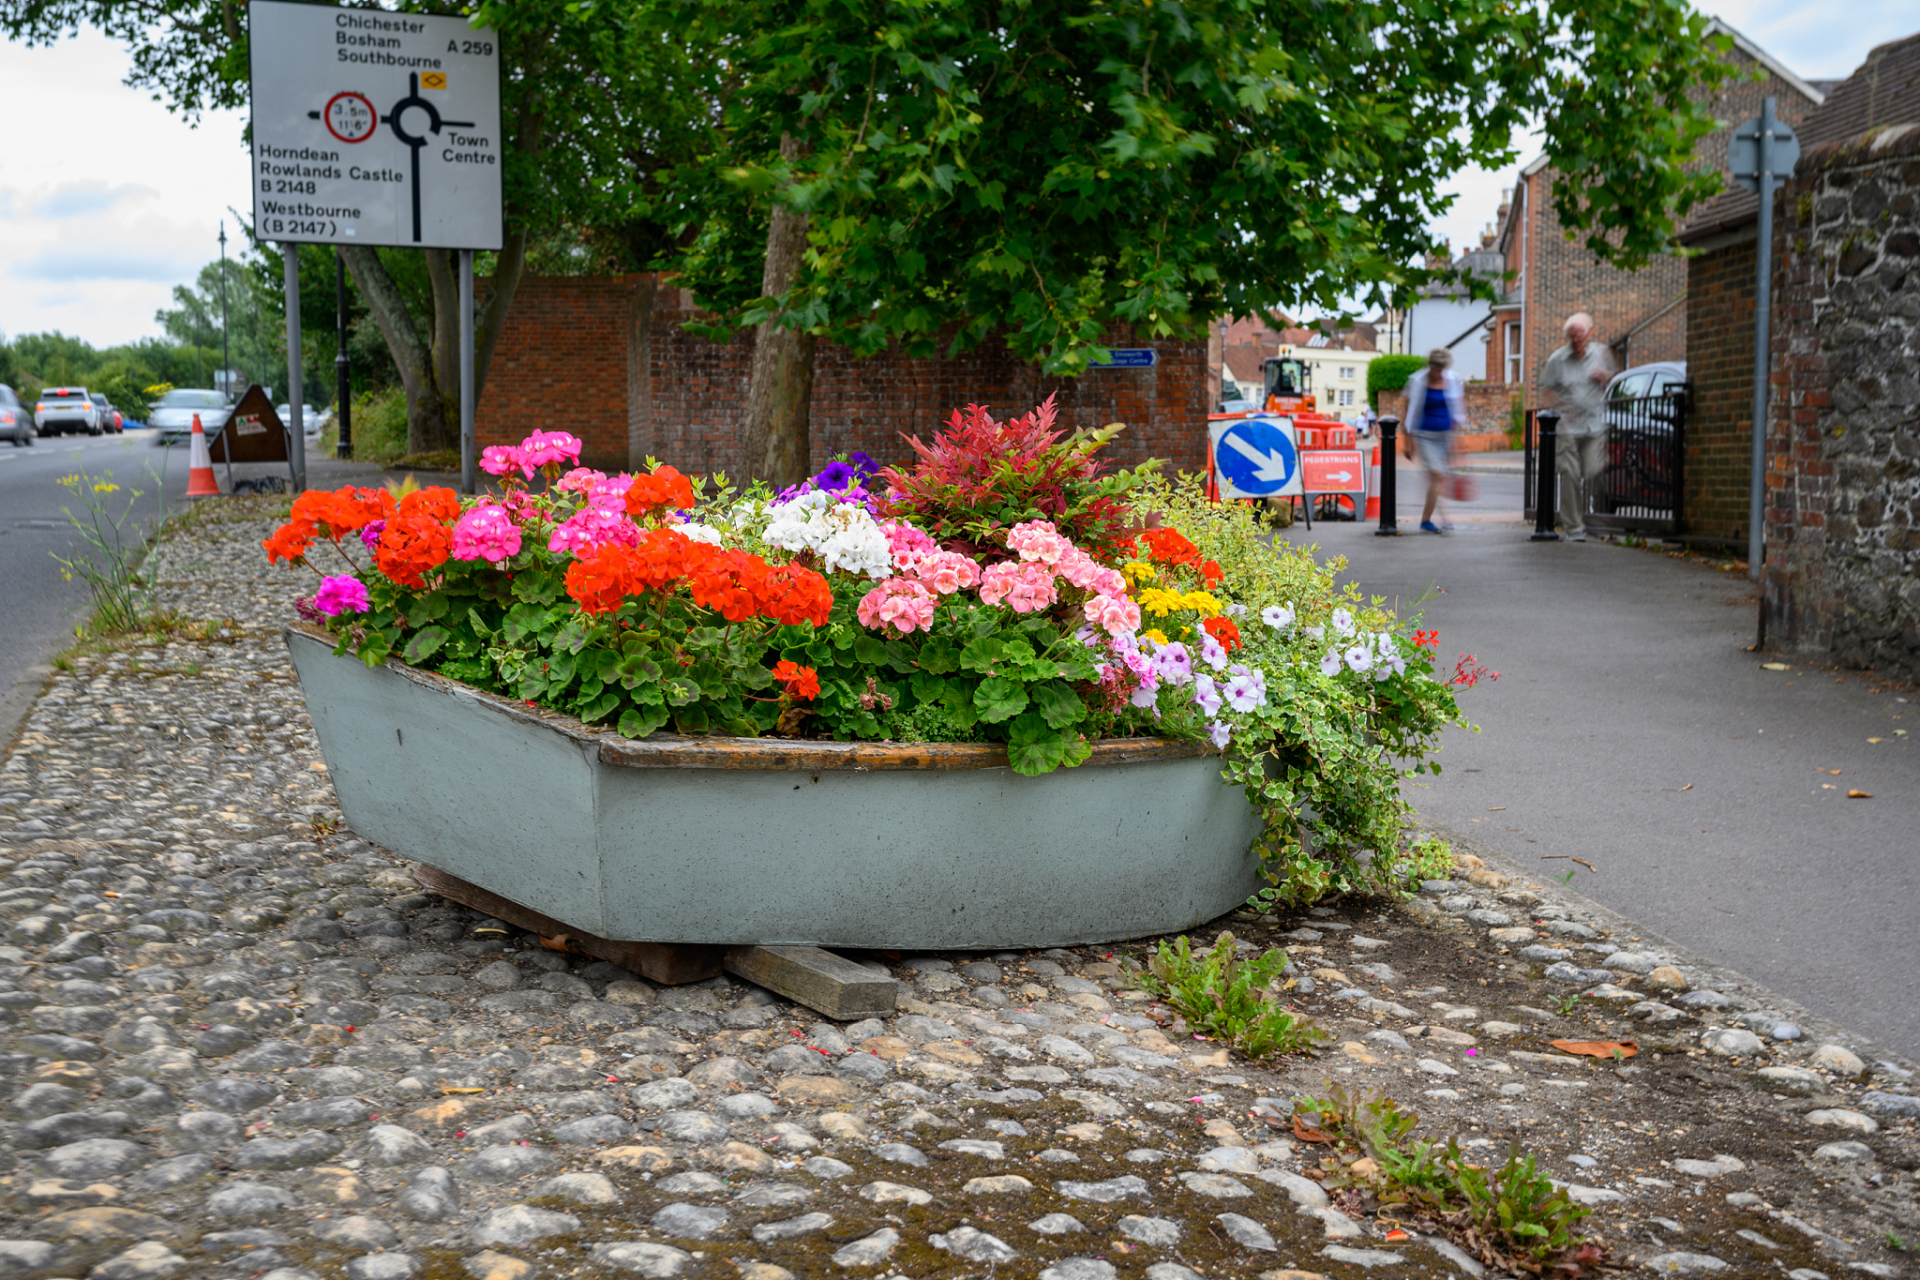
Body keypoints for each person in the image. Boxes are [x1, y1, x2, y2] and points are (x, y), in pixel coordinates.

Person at [1539, 312, 1616, 541]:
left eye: (1581, 333)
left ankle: (1593, 519)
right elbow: (1546, 392)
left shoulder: (1601, 353)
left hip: (1594, 425)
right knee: (1570, 474)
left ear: (1589, 332)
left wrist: (1605, 377)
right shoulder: (1558, 360)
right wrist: (1560, 406)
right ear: (1568, 337)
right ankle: (1574, 528)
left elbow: (1615, 380)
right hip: (1567, 428)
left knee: (1593, 471)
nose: (1577, 338)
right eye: (1573, 335)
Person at [1400, 347, 1466, 534]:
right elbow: (1408, 412)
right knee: (1437, 475)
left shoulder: (1452, 380)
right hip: (1425, 435)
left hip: (1445, 435)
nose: (1439, 372)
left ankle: (1429, 520)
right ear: (1430, 366)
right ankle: (1441, 520)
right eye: (1436, 368)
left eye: (1442, 368)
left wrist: (1458, 441)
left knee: (1438, 478)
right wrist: (1408, 442)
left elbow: (1457, 410)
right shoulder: (1417, 381)